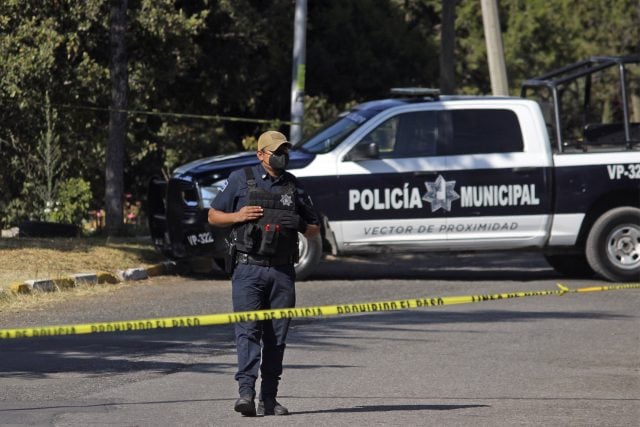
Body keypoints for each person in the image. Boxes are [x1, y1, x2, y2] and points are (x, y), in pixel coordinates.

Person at [208, 130, 320, 417]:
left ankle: (268, 399)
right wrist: (238, 216)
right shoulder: (240, 179)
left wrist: (297, 222)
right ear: (261, 154)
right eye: (277, 151)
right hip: (248, 269)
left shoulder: (293, 186)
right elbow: (213, 215)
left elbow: (314, 229)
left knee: (276, 337)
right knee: (247, 333)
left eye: (285, 150)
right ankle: (246, 393)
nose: (283, 156)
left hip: (282, 271)